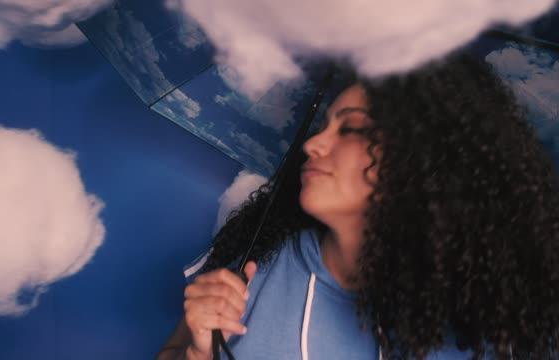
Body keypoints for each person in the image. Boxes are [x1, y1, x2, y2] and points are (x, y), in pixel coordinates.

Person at [156, 53, 559, 359]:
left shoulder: (488, 316)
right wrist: (199, 350)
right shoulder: (254, 262)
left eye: (350, 128)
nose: (313, 145)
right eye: (323, 125)